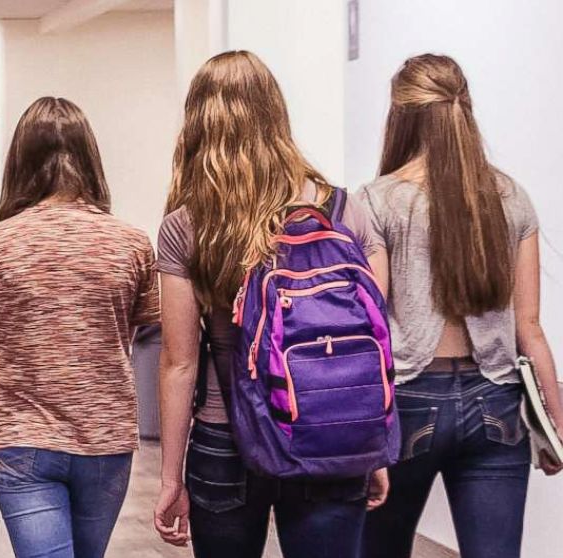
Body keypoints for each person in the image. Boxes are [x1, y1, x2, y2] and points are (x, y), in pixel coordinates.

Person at [153, 51, 389, 558]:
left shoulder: (187, 225)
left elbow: (178, 363)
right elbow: (369, 342)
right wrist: (370, 448)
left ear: (197, 122)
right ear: (276, 114)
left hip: (225, 438)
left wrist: (171, 477)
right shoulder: (345, 210)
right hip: (328, 429)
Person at [359, 54, 562, 558]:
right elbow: (529, 327)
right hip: (495, 401)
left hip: (405, 405)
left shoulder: (378, 201)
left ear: (400, 114)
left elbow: (372, 326)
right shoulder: (511, 197)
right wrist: (556, 423)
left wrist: (358, 430)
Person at [0, 96, 160, 558]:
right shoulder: (131, 243)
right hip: (106, 438)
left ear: (18, 161)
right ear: (91, 157)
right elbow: (127, 338)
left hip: (20, 435)